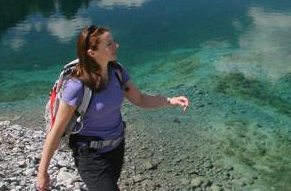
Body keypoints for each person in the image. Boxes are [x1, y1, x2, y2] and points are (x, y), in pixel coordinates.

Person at [35, 26, 189, 191]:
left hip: (116, 148)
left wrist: (169, 101)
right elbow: (56, 130)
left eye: (113, 41)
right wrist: (42, 172)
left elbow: (140, 99)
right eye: (109, 44)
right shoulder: (76, 85)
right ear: (92, 53)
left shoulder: (116, 71)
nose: (116, 45)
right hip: (90, 156)